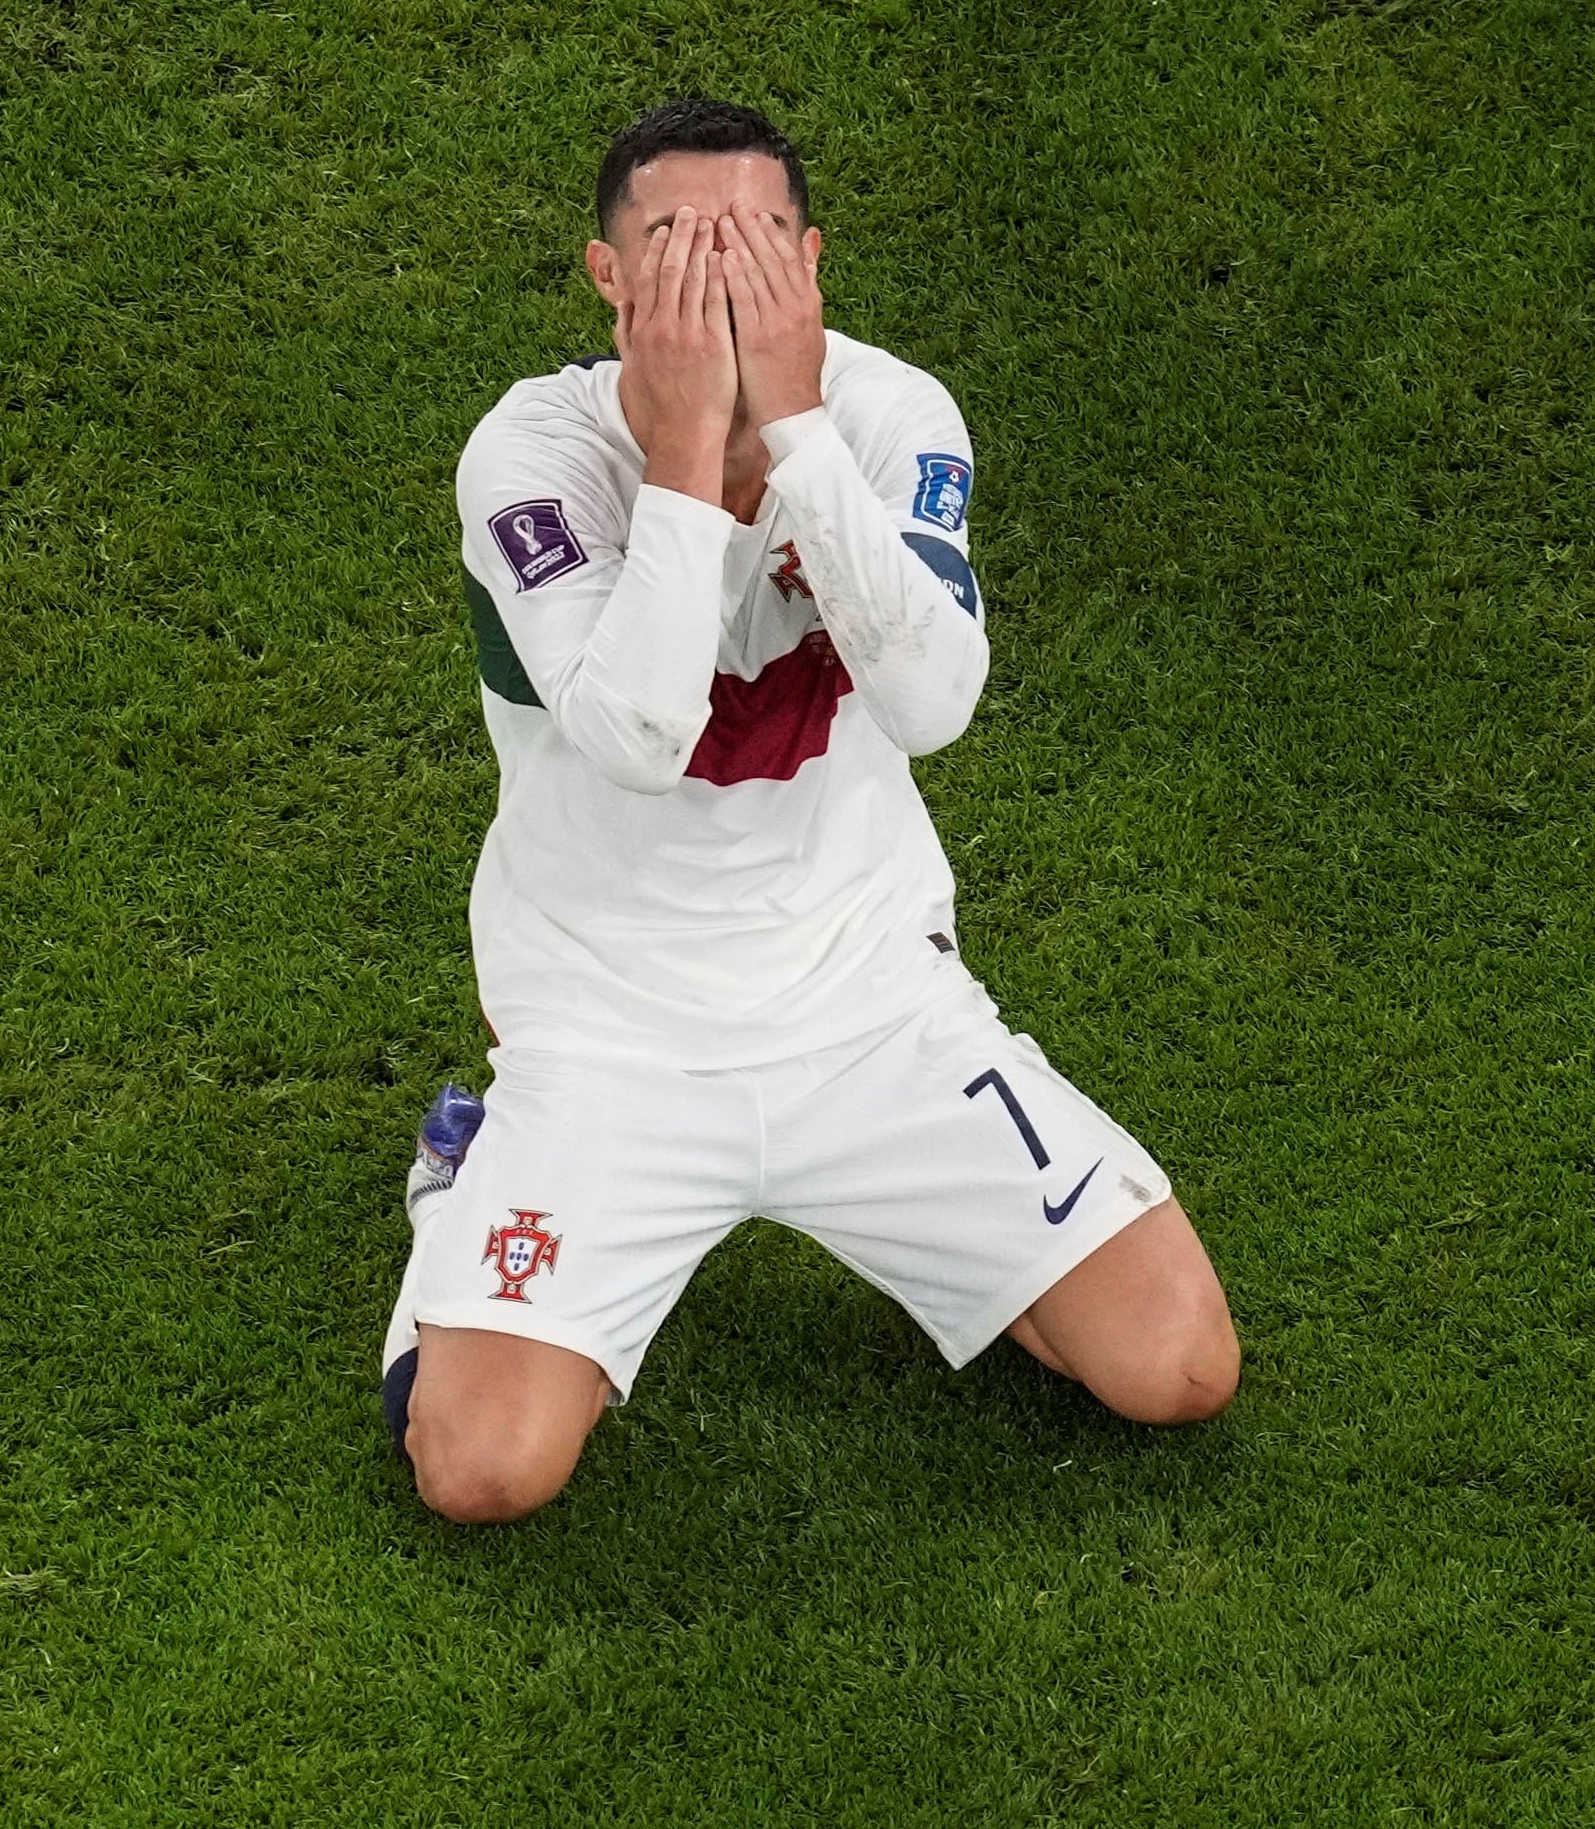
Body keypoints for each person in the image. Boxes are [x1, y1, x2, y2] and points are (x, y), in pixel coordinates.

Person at [380, 97, 1240, 1523]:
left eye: (756, 246)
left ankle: (942, 1240)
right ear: (607, 280)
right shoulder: (529, 458)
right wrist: (684, 459)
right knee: (479, 1471)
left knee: (1176, 1370)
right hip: (610, 1031)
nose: (717, 279)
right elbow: (638, 736)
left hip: (872, 1007)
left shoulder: (894, 417)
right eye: (673, 245)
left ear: (812, 264)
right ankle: (449, 1197)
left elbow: (931, 703)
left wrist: (791, 427)